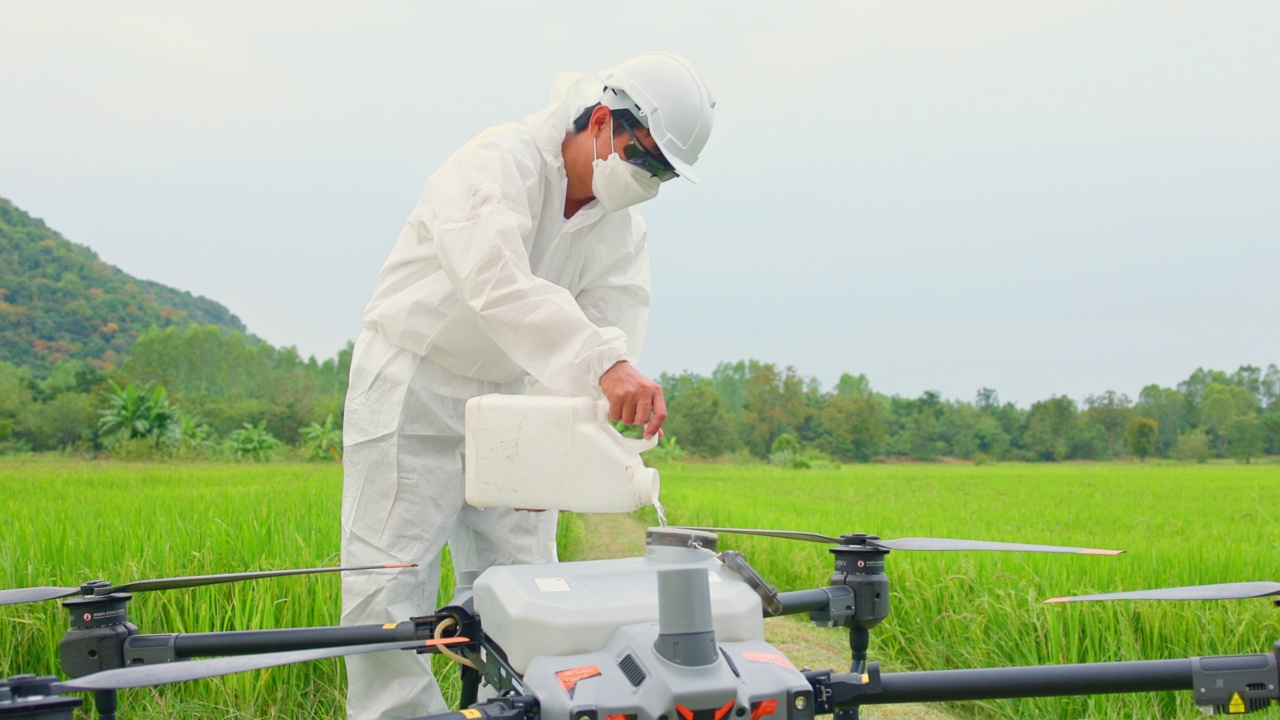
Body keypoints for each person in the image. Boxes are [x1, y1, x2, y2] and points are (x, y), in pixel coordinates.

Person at [339, 52, 715, 720]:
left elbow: (614, 325)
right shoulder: (499, 160)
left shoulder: (621, 228)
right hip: (415, 380)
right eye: (645, 158)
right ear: (602, 120)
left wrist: (600, 411)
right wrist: (604, 363)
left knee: (526, 579)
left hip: (519, 395)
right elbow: (495, 282)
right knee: (388, 585)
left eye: (664, 173)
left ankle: (511, 711)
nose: (649, 180)